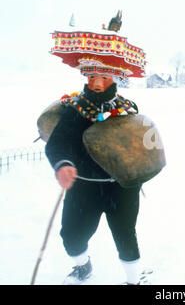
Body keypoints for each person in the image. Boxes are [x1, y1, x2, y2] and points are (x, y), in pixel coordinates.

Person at [45, 73, 143, 285]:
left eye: (104, 77)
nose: (97, 84)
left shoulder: (128, 109)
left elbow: (141, 147)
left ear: (115, 78)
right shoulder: (75, 110)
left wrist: (141, 169)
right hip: (83, 187)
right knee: (72, 236)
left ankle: (134, 281)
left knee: (125, 236)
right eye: (92, 76)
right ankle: (83, 266)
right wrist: (63, 163)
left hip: (122, 187)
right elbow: (57, 143)